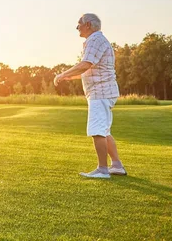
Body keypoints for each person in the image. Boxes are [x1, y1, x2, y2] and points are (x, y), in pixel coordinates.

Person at [54, 13, 127, 179]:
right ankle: (117, 166)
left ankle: (102, 169)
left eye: (79, 24)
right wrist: (68, 76)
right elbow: (88, 69)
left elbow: (86, 64)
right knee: (104, 130)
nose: (77, 27)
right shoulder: (95, 40)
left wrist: (62, 74)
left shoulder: (95, 40)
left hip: (100, 92)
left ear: (88, 24)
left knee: (97, 130)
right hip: (102, 92)